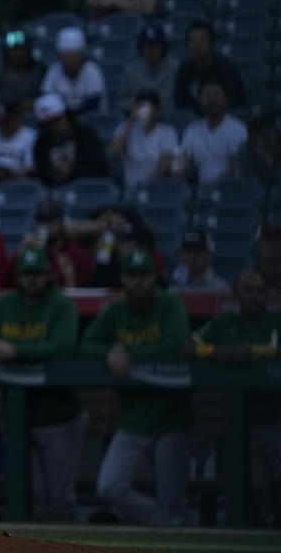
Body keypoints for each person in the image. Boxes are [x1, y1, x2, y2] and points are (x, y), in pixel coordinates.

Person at [80, 250, 192, 526]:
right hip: (133, 420)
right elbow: (85, 345)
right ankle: (169, 522)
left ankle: (171, 520)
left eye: (144, 275)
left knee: (172, 499)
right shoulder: (116, 311)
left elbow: (176, 346)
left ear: (154, 277)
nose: (139, 281)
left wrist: (127, 352)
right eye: (132, 275)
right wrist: (108, 353)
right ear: (123, 279)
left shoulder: (169, 304)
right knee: (109, 487)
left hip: (171, 420)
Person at [0, 248, 84, 520]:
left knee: (60, 501)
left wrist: (16, 350)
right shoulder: (5, 305)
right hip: (17, 420)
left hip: (59, 417)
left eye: (37, 273)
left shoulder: (62, 305)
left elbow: (62, 346)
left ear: (48, 275)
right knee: (30, 499)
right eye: (27, 274)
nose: (32, 280)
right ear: (18, 277)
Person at [185, 268, 281, 521]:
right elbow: (188, 347)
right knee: (254, 495)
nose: (255, 296)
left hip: (276, 422)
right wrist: (215, 352)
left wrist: (252, 352)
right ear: (237, 294)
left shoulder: (276, 321)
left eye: (260, 291)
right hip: (240, 428)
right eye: (249, 290)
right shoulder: (224, 323)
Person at [0, 200, 94, 289]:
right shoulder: (29, 253)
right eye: (41, 220)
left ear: (61, 223)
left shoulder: (76, 254)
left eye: (50, 220)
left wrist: (69, 278)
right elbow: (3, 284)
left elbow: (81, 292)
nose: (45, 225)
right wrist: (20, 251)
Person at [180, 78, 248, 185]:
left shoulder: (237, 128)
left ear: (226, 99)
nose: (211, 99)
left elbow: (235, 167)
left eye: (216, 94)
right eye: (207, 95)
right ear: (200, 101)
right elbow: (185, 164)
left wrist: (212, 186)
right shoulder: (191, 130)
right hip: (201, 194)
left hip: (230, 191)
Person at [32, 92, 108, 186]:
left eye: (57, 120)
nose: (53, 127)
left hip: (86, 191)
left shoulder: (86, 136)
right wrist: (51, 173)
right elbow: (41, 174)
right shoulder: (41, 144)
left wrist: (72, 171)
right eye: (47, 124)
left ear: (66, 115)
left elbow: (99, 168)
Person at [109, 89, 180, 190]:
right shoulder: (124, 128)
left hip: (157, 189)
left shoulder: (168, 131)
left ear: (157, 110)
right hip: (130, 189)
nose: (144, 111)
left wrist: (146, 186)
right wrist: (130, 120)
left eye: (149, 107)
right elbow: (113, 153)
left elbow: (165, 163)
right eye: (140, 107)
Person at [174, 20, 246, 114]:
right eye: (193, 40)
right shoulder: (184, 69)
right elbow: (180, 102)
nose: (197, 44)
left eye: (202, 39)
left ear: (212, 43)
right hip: (194, 122)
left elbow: (235, 101)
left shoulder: (227, 69)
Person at [40, 28, 107, 116]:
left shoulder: (92, 70)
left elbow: (94, 103)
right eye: (66, 56)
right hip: (60, 121)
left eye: (74, 56)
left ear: (82, 54)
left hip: (90, 121)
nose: (70, 60)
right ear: (60, 56)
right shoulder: (54, 70)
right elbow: (46, 98)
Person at [120, 24, 178, 113]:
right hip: (139, 122)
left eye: (155, 45)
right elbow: (122, 101)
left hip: (170, 122)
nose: (151, 49)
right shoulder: (131, 71)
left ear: (163, 47)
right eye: (147, 45)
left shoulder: (176, 69)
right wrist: (139, 105)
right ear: (141, 48)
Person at [257, 219, 281, 297]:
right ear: (259, 244)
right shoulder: (247, 281)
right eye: (268, 238)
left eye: (278, 239)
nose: (274, 243)